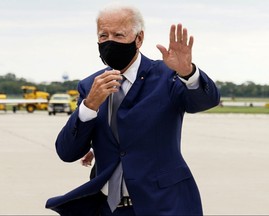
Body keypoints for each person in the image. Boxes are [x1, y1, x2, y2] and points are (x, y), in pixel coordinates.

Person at [46, 3, 220, 216]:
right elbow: (66, 152)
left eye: (118, 35)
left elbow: (204, 101)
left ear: (139, 39)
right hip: (108, 209)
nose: (109, 42)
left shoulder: (167, 75)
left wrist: (188, 73)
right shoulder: (90, 85)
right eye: (103, 36)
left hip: (164, 206)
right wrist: (89, 105)